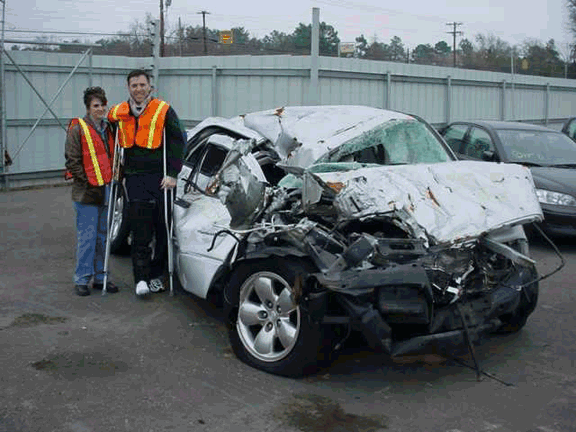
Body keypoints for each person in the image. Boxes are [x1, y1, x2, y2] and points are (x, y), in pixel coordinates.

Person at [108, 69, 185, 298]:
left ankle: (155, 275)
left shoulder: (164, 110)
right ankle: (140, 278)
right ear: (129, 88)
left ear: (150, 87)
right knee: (140, 229)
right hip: (135, 178)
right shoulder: (119, 112)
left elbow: (177, 142)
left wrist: (173, 173)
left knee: (163, 228)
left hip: (162, 179)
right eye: (134, 85)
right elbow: (109, 130)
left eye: (143, 85)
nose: (139, 89)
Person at [65, 86, 119, 296]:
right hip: (86, 192)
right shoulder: (78, 128)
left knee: (103, 237)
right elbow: (72, 159)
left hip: (106, 190)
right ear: (88, 108)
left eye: (103, 105)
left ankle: (101, 277)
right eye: (96, 106)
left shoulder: (109, 128)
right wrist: (87, 181)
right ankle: (82, 279)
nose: (100, 109)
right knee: (87, 237)